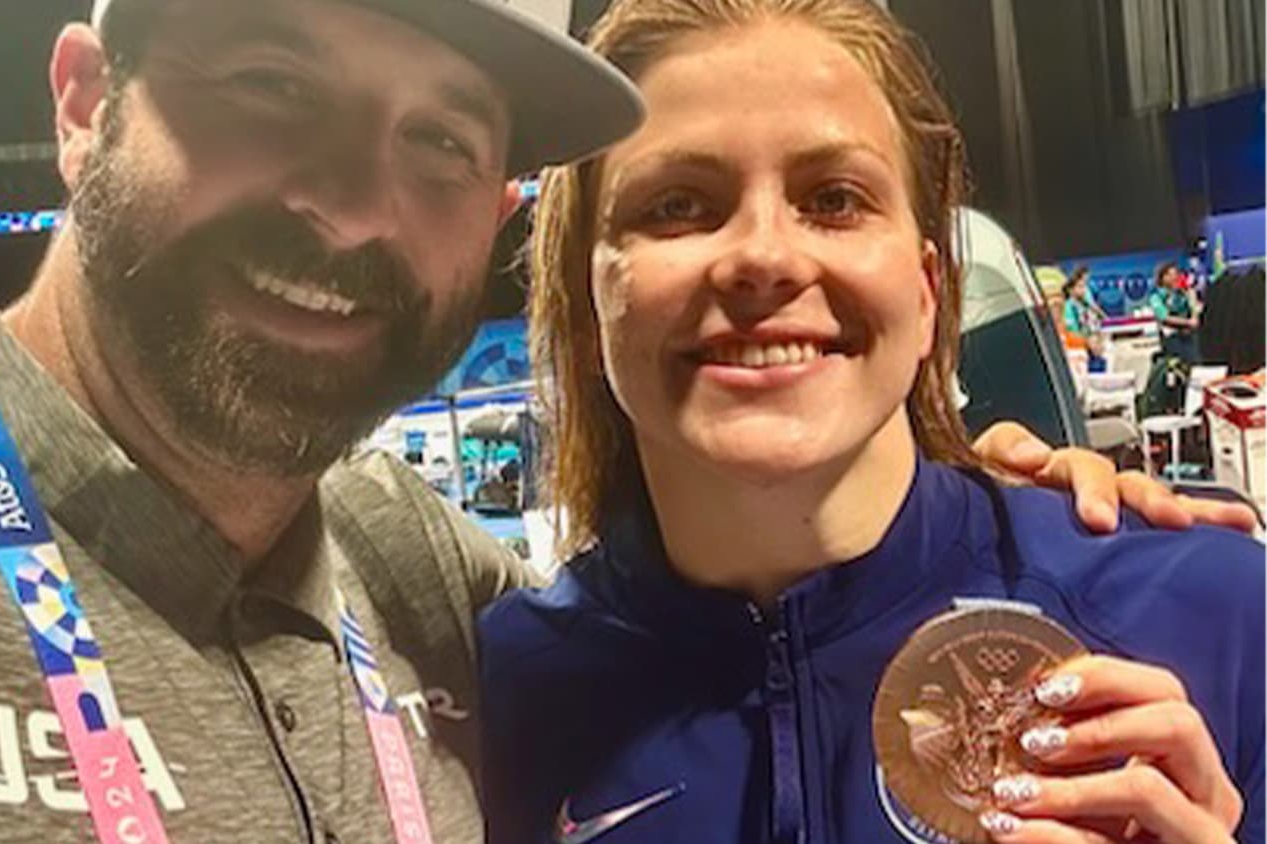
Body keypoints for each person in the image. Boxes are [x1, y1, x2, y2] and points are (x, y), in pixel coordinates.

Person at [0, 0, 1245, 842]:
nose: (349, 198)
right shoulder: (507, 657)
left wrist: (1029, 495)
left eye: (438, 140)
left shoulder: (418, 595)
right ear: (86, 101)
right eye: (272, 86)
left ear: (928, 288)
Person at [478, 2, 1264, 844]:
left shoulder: (1214, 618)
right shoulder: (492, 694)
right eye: (677, 205)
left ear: (927, 296)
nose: (765, 258)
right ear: (588, 302)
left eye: (834, 198)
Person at [1150, 261, 1201, 364]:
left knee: (1196, 363)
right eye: (1171, 275)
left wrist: (1192, 296)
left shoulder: (1182, 293)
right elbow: (1164, 317)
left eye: (1176, 274)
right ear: (1163, 277)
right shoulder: (1156, 297)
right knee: (1178, 366)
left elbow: (1195, 310)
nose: (1175, 277)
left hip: (1189, 337)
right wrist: (1188, 323)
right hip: (1172, 339)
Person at [1061, 266, 1104, 365]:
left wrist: (1097, 338)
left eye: (1084, 286)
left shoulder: (1084, 304)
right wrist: (1087, 342)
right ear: (1070, 290)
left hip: (1090, 346)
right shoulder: (1068, 307)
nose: (1084, 290)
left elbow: (1092, 323)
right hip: (1079, 349)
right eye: (1080, 287)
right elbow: (1072, 330)